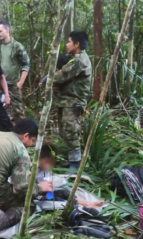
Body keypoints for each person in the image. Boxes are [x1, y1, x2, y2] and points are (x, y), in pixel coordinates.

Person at [53, 31, 92, 170]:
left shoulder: (79, 61)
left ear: (77, 44)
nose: (67, 44)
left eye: (69, 41)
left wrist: (50, 79)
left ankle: (76, 163)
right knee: (64, 130)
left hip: (74, 101)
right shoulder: (74, 58)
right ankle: (72, 159)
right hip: (66, 100)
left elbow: (61, 76)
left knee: (70, 130)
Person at [36, 145, 103, 209]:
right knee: (58, 200)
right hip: (37, 197)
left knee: (66, 193)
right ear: (39, 158)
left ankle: (87, 204)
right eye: (46, 162)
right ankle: (80, 208)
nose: (48, 166)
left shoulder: (45, 171)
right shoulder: (32, 170)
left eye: (51, 163)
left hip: (47, 194)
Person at [0, 20, 30, 122]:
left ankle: (23, 134)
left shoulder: (17, 46)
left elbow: (26, 64)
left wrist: (21, 82)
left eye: (0, 31)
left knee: (18, 111)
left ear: (7, 30)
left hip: (13, 85)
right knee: (1, 111)